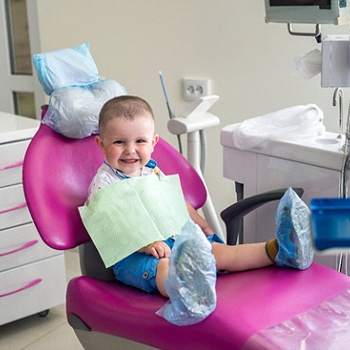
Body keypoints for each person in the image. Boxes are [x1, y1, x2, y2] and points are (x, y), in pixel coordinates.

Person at [86, 95, 313, 298]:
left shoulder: (151, 171)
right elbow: (110, 225)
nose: (130, 150)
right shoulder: (104, 183)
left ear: (153, 143)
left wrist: (200, 223)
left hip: (175, 240)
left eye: (140, 141)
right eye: (119, 142)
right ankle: (188, 290)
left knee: (219, 252)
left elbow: (172, 202)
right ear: (101, 144)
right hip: (136, 254)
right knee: (164, 267)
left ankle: (280, 250)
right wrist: (144, 244)